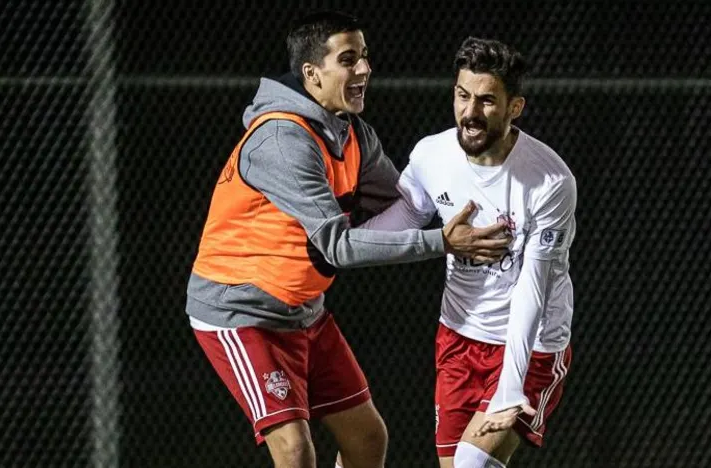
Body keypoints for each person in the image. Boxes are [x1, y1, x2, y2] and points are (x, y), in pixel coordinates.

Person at [185, 13, 511, 468]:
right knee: (295, 451)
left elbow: (408, 205)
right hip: (240, 311)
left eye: (365, 57)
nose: (364, 69)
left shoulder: (353, 134)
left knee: (366, 438)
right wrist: (444, 242)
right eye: (348, 59)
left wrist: (486, 196)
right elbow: (337, 247)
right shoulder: (283, 140)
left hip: (302, 310)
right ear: (312, 74)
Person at [359, 37, 576, 467]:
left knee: (471, 464)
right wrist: (338, 247)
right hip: (457, 337)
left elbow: (534, 284)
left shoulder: (550, 181)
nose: (470, 113)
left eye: (486, 101)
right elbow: (406, 213)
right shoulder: (430, 154)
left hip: (530, 346)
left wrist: (512, 383)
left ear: (515, 107)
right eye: (462, 96)